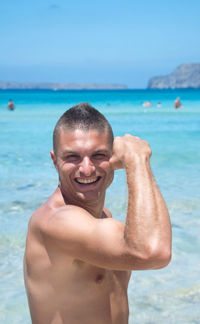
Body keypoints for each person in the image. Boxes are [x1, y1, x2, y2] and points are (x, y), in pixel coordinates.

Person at [24, 102, 172, 324]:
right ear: (55, 161)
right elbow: (153, 252)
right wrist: (137, 159)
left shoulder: (103, 218)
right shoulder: (55, 223)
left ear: (113, 158)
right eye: (72, 157)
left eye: (98, 155)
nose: (86, 168)